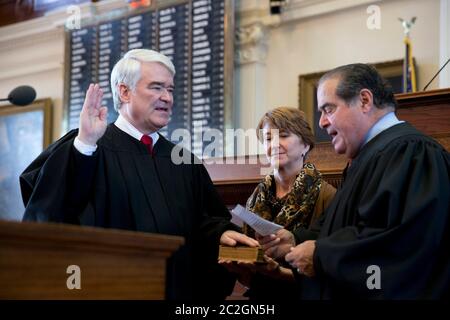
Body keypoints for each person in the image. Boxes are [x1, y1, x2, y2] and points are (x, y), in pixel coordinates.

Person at [20, 49, 258, 300]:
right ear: (124, 92)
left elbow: (203, 220)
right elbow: (54, 212)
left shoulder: (183, 161)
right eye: (156, 88)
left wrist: (220, 232)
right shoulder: (89, 147)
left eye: (170, 89)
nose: (167, 97)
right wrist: (86, 144)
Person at [285, 63, 450, 299]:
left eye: (328, 109)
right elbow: (344, 227)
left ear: (364, 100)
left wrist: (321, 256)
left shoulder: (411, 152)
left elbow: (401, 245)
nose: (321, 122)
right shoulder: (371, 156)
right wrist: (296, 239)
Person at [221, 107, 336, 300]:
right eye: (268, 138)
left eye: (283, 136)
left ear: (305, 145)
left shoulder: (327, 196)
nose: (274, 145)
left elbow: (329, 266)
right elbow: (251, 272)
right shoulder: (257, 196)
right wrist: (242, 269)